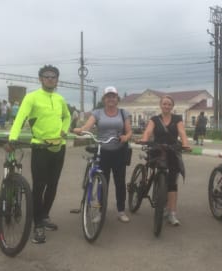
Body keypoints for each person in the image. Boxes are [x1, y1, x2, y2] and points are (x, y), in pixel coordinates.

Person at [9, 65, 71, 244]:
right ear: (40, 79)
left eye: (53, 76)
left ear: (57, 80)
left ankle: (44, 216)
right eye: (47, 76)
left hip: (59, 147)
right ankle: (38, 226)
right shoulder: (32, 97)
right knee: (39, 187)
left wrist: (64, 131)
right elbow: (20, 118)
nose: (50, 79)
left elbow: (67, 117)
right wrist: (13, 138)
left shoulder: (60, 99)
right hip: (40, 148)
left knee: (53, 185)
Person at [74, 86, 132, 223]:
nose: (111, 99)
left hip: (119, 152)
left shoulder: (123, 113)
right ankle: (100, 211)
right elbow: (88, 126)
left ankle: (121, 210)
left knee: (120, 183)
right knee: (101, 182)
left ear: (117, 99)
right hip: (102, 152)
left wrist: (126, 137)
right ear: (104, 99)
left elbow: (129, 131)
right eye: (108, 96)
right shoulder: (98, 113)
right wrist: (81, 130)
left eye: (113, 96)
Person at [140, 95, 190, 226]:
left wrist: (185, 144)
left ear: (172, 106)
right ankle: (152, 183)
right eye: (164, 104)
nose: (167, 106)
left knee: (172, 181)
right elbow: (148, 131)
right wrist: (144, 139)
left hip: (172, 150)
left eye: (169, 104)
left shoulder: (177, 119)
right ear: (160, 105)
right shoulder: (154, 119)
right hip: (157, 149)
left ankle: (172, 212)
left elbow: (182, 132)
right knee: (153, 168)